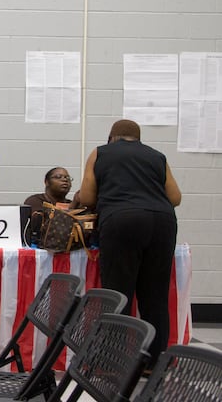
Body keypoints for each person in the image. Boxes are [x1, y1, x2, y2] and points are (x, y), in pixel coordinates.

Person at [77, 119, 181, 371]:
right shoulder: (157, 156)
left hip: (121, 220)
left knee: (119, 294)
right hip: (162, 222)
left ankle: (115, 362)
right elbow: (175, 198)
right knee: (155, 297)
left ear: (111, 137)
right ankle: (153, 363)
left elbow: (88, 197)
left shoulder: (100, 152)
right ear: (139, 138)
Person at [23, 167, 80, 246]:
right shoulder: (35, 200)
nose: (65, 180)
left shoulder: (70, 203)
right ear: (47, 182)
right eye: (58, 177)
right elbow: (46, 223)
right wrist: (74, 205)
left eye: (67, 178)